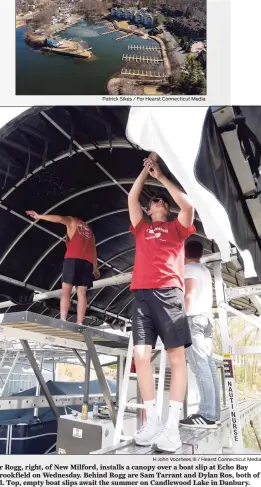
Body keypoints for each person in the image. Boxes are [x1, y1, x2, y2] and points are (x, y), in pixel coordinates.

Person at [128, 152, 195, 453]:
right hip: (141, 294)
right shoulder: (141, 228)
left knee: (176, 359)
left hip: (169, 293)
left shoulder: (176, 229)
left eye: (162, 202)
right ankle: (153, 419)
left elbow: (188, 205)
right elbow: (132, 198)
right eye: (153, 201)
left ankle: (172, 428)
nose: (157, 203)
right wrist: (145, 172)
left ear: (167, 210)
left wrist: (162, 177)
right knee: (141, 356)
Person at [25, 211, 100, 324]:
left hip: (73, 259)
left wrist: (40, 216)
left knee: (66, 291)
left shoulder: (72, 220)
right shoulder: (90, 231)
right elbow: (93, 249)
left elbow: (58, 218)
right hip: (87, 262)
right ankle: (79, 322)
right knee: (82, 293)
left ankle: (63, 320)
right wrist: (95, 267)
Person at [179, 240, 221, 429]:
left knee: (200, 365)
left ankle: (206, 415)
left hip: (193, 318)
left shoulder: (189, 269)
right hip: (207, 319)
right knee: (209, 364)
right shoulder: (205, 270)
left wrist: (181, 317)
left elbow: (189, 293)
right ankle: (214, 413)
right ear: (202, 254)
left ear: (184, 254)